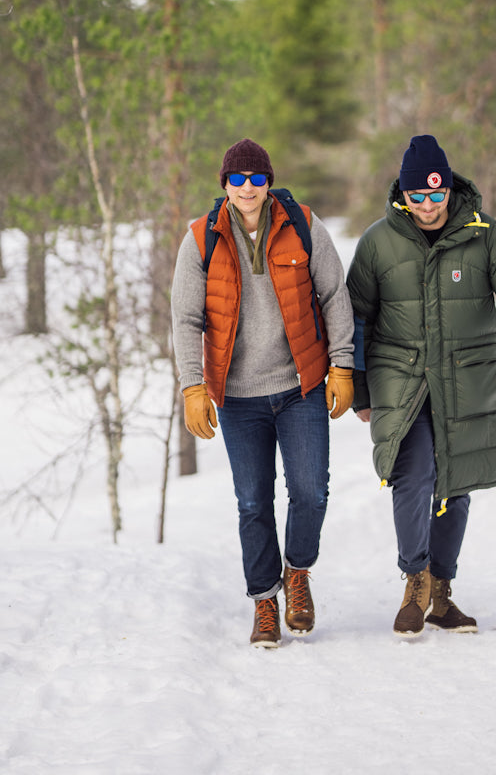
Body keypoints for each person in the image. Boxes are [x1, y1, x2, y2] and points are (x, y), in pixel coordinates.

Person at [346, 134, 496, 638]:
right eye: (417, 196)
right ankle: (414, 580)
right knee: (414, 475)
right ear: (403, 194)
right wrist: (361, 391)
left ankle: (441, 591)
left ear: (449, 189)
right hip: (403, 381)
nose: (428, 206)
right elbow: (354, 318)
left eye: (436, 195)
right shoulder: (378, 242)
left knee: (456, 486)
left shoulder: (484, 234)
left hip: (466, 381)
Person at [171, 138, 354, 648]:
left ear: (269, 182)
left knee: (311, 492)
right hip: (238, 396)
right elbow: (185, 319)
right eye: (238, 179)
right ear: (225, 184)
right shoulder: (201, 239)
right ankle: (264, 601)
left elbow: (335, 296)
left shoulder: (303, 225)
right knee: (253, 502)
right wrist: (192, 385)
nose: (247, 188)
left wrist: (342, 365)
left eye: (256, 178)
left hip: (300, 386)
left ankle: (297, 573)